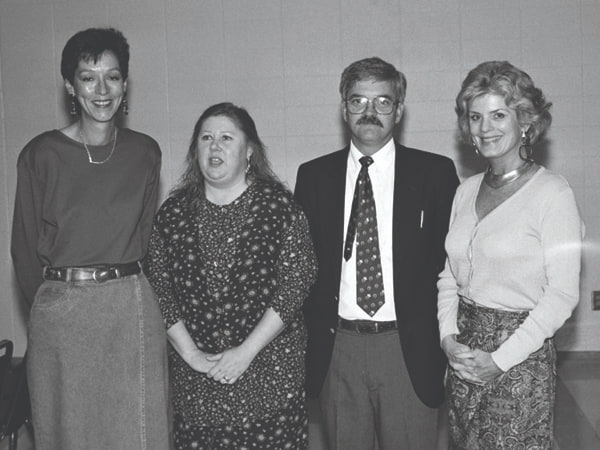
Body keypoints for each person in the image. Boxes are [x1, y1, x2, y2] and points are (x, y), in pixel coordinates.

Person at [11, 28, 170, 449]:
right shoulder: (40, 154)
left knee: (137, 432)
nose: (102, 90)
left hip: (130, 309)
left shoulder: (145, 153)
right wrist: (52, 306)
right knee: (68, 432)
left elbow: (148, 239)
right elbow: (23, 247)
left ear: (125, 83)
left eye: (113, 77)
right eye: (88, 77)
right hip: (62, 312)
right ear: (70, 85)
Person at [294, 56, 459, 449]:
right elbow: (302, 268)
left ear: (399, 110)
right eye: (358, 101)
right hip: (339, 349)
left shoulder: (434, 174)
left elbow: (452, 267)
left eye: (382, 102)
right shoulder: (313, 177)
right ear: (343, 108)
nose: (369, 112)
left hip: (408, 347)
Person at [145, 102, 317, 449]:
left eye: (226, 137)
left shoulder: (279, 207)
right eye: (206, 137)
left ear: (249, 150)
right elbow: (159, 289)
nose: (215, 146)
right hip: (197, 385)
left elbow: (297, 282)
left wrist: (245, 353)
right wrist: (192, 355)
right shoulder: (172, 214)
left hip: (270, 381)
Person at [437, 60, 584, 449]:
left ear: (525, 122)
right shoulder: (465, 191)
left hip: (519, 359)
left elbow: (562, 295)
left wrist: (499, 360)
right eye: (475, 117)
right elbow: (450, 275)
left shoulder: (552, 193)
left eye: (499, 115)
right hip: (464, 358)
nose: (486, 128)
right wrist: (447, 337)